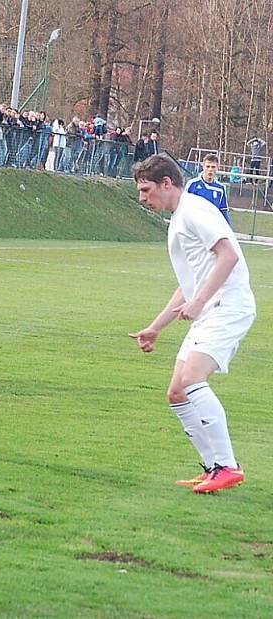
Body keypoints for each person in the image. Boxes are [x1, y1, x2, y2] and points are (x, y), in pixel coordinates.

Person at [130, 154, 255, 494]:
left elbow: (229, 254)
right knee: (177, 391)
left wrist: (200, 302)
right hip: (210, 307)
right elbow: (188, 286)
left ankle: (228, 466)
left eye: (146, 189)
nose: (142, 197)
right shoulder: (180, 218)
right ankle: (215, 467)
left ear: (167, 183)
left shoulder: (195, 211)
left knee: (191, 379)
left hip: (228, 306)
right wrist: (157, 326)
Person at [185, 153, 231, 225]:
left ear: (217, 167)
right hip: (194, 226)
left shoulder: (221, 188)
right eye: (207, 166)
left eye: (213, 167)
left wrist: (229, 231)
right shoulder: (192, 184)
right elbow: (184, 206)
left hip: (212, 227)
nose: (210, 170)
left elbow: (223, 211)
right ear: (203, 167)